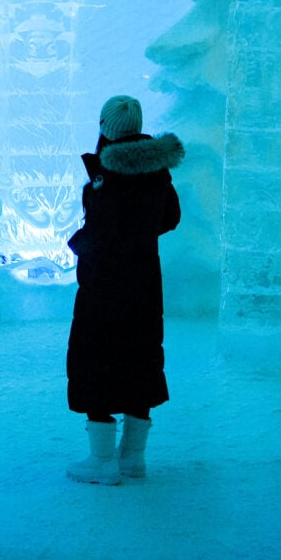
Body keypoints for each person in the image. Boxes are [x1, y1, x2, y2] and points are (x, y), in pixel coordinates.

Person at [66, 95, 184, 485]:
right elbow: (170, 217)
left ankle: (102, 462)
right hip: (144, 280)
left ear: (104, 124)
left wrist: (78, 244)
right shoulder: (156, 168)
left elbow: (103, 231)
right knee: (140, 358)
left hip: (105, 284)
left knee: (96, 359)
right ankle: (133, 458)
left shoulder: (108, 174)